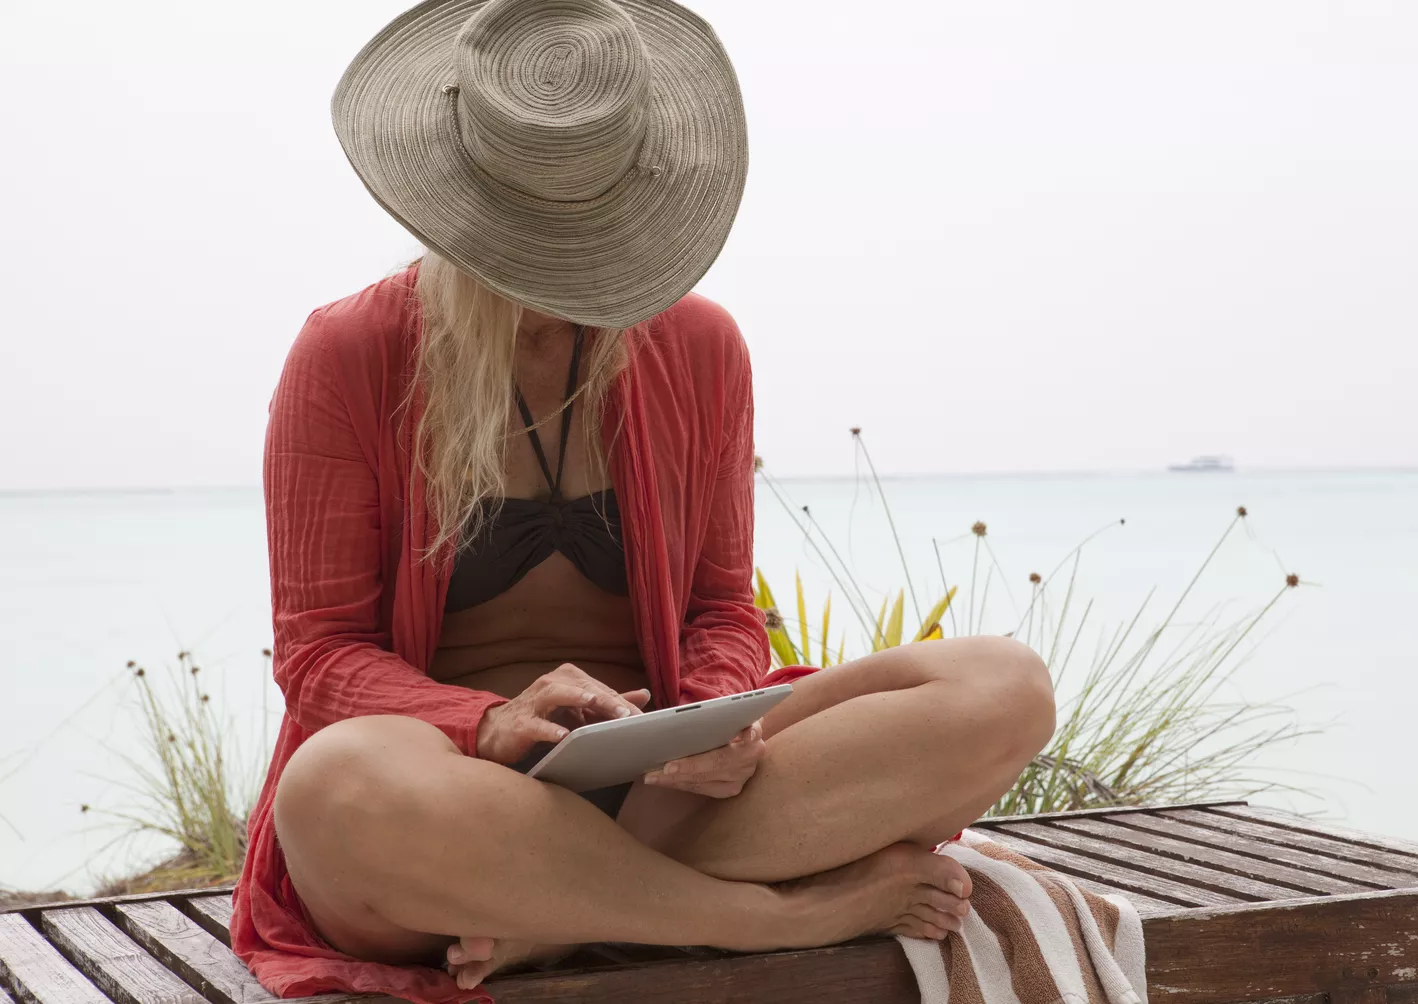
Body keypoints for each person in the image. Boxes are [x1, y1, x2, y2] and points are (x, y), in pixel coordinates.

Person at [229, 0, 1057, 1001]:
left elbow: (719, 606)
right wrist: (488, 720)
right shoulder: (351, 352)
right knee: (336, 781)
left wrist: (709, 723)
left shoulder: (701, 346)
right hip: (452, 803)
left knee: (1002, 684)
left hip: (663, 797)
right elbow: (318, 653)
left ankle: (557, 917)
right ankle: (750, 915)